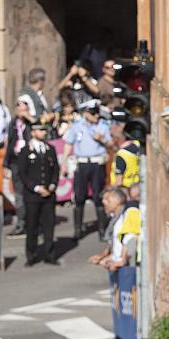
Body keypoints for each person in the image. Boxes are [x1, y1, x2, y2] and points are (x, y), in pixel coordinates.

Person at [61, 99, 113, 241]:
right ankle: (78, 229)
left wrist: (102, 139)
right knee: (79, 197)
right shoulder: (77, 126)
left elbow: (111, 143)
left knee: (98, 196)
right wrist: (64, 162)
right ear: (85, 113)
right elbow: (68, 143)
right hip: (82, 163)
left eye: (97, 113)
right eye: (93, 113)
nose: (96, 116)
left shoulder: (103, 126)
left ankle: (102, 230)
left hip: (97, 163)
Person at [17, 121, 59, 266]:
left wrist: (52, 186)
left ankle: (50, 254)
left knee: (49, 226)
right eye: (40, 130)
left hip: (49, 194)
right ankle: (31, 255)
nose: (44, 132)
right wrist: (35, 188)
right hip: (32, 195)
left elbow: (56, 170)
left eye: (44, 129)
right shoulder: (25, 151)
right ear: (33, 132)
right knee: (32, 226)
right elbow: (22, 173)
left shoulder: (50, 149)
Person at [4, 99, 33, 236]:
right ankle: (21, 224)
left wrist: (30, 119)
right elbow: (9, 143)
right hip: (16, 162)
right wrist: (6, 163)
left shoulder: (32, 123)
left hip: (30, 162)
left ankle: (33, 223)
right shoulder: (13, 124)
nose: (21, 113)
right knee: (19, 194)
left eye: (24, 110)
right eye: (19, 110)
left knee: (31, 193)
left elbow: (44, 129)